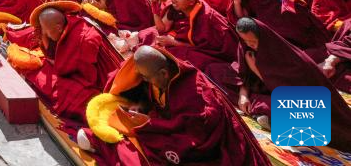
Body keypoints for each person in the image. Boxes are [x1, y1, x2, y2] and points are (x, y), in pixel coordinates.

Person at [79, 45, 270, 165]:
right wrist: (143, 111)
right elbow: (159, 104)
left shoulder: (196, 91)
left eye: (147, 77)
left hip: (199, 143)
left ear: (163, 73)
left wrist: (151, 124)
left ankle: (102, 144)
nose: (145, 81)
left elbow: (199, 133)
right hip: (171, 127)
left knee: (147, 149)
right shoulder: (161, 77)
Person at [235, 18, 351, 150]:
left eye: (253, 42)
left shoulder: (289, 58)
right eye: (246, 41)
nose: (250, 45)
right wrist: (243, 95)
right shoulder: (245, 47)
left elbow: (284, 91)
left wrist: (256, 70)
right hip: (267, 92)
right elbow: (243, 75)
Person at [11, 2, 121, 126]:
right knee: (43, 75)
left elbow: (73, 72)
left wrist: (52, 56)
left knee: (68, 93)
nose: (45, 34)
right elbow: (53, 57)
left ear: (58, 27)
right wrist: (45, 36)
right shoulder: (64, 27)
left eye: (46, 31)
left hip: (103, 84)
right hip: (82, 75)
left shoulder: (83, 38)